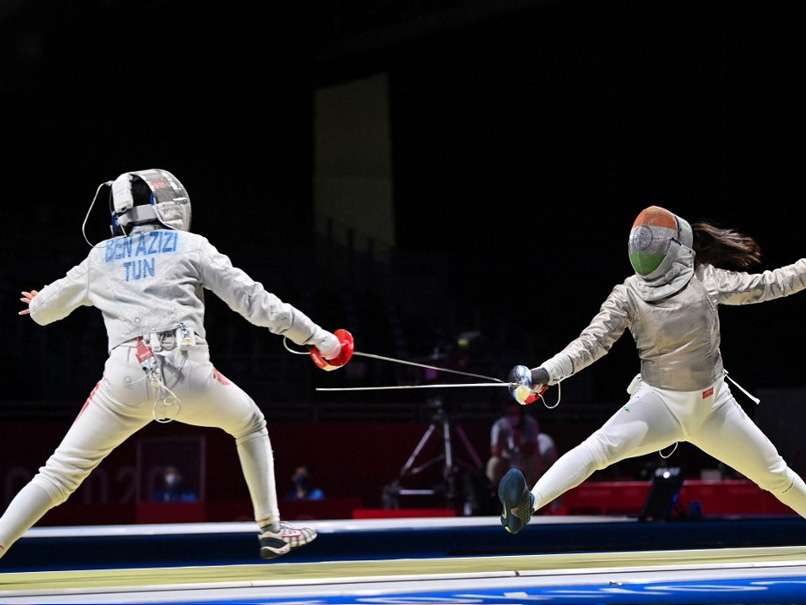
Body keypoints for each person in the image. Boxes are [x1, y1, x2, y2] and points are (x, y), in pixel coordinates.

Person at [1, 169, 350, 561]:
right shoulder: (190, 245)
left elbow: (44, 312)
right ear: (166, 205)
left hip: (125, 379)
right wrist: (323, 340)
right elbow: (257, 303)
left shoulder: (99, 257)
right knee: (250, 424)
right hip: (189, 371)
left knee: (58, 475)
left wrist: (36, 304)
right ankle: (270, 530)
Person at [499, 205, 806, 534]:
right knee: (600, 447)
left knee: (774, 473)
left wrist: (543, 375)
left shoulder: (702, 279)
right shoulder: (630, 293)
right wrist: (544, 373)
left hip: (714, 407)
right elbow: (589, 344)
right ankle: (526, 505)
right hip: (659, 403)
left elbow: (770, 284)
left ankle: (530, 501)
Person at [486, 400, 540, 487]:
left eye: (515, 414)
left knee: (533, 461)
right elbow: (495, 452)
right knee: (493, 462)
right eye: (510, 414)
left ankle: (534, 489)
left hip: (524, 456)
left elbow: (531, 449)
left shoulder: (530, 423)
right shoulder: (499, 425)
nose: (513, 418)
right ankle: (495, 490)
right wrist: (501, 441)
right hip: (506, 457)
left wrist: (519, 443)